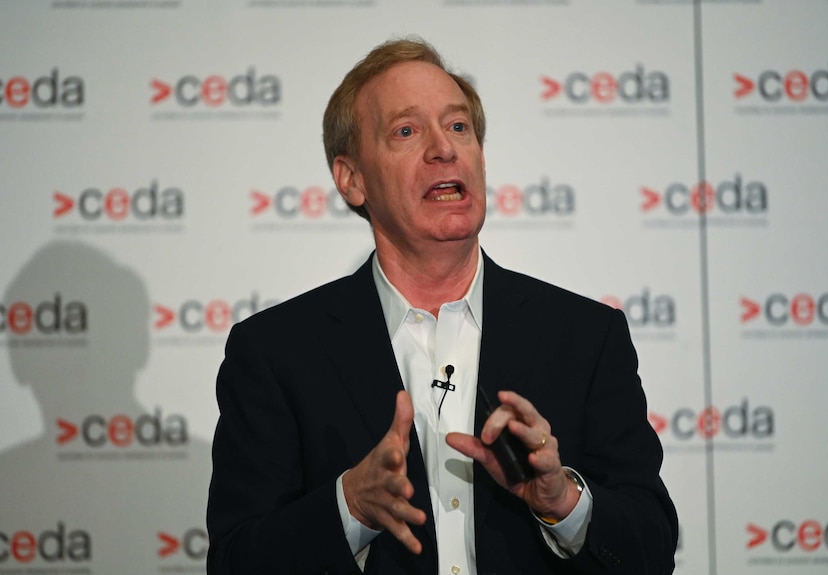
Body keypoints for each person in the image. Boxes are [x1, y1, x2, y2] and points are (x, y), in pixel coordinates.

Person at [206, 37, 677, 575]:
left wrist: (564, 504)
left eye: (458, 127)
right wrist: (351, 508)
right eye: (406, 131)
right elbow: (235, 563)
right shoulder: (275, 352)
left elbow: (652, 546)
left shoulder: (586, 337)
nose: (444, 149)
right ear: (352, 179)